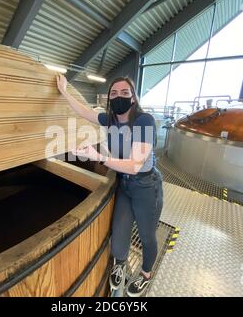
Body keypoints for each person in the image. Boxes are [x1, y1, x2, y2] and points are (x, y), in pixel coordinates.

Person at [56, 74, 163, 297]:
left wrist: (98, 157)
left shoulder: (144, 121)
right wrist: (65, 91)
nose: (119, 97)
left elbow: (134, 165)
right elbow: (84, 112)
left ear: (133, 98)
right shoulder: (111, 119)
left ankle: (145, 274)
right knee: (120, 232)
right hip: (124, 184)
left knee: (146, 236)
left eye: (125, 93)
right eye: (114, 93)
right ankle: (120, 264)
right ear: (109, 98)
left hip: (146, 186)